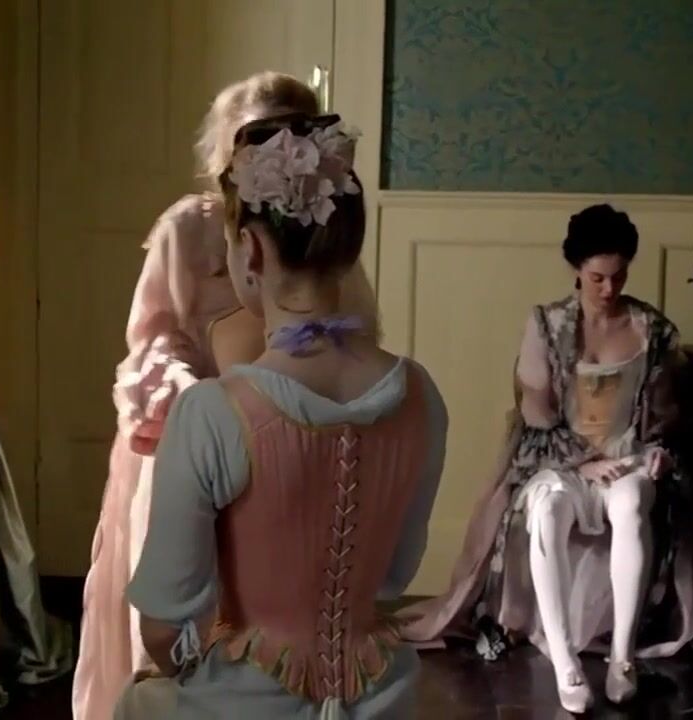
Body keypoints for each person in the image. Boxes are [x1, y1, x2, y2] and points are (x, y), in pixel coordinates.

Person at [112, 112, 448, 720]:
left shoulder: (213, 411)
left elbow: (162, 626)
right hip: (384, 696)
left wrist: (190, 663)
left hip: (244, 701)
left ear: (251, 249)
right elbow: (395, 574)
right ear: (350, 245)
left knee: (139, 701)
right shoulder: (421, 395)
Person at [71, 73, 379, 720]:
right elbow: (153, 341)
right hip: (195, 429)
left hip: (288, 439)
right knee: (178, 579)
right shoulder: (188, 229)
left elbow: (354, 338)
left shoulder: (325, 239)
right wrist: (195, 398)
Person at [399, 204, 693, 714]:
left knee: (631, 503)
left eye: (619, 276)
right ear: (576, 268)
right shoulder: (547, 324)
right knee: (547, 507)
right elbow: (536, 416)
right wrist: (582, 463)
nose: (609, 288)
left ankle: (621, 660)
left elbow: (668, 417)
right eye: (598, 277)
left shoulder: (653, 329)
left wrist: (656, 454)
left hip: (627, 459)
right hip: (560, 460)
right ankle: (566, 664)